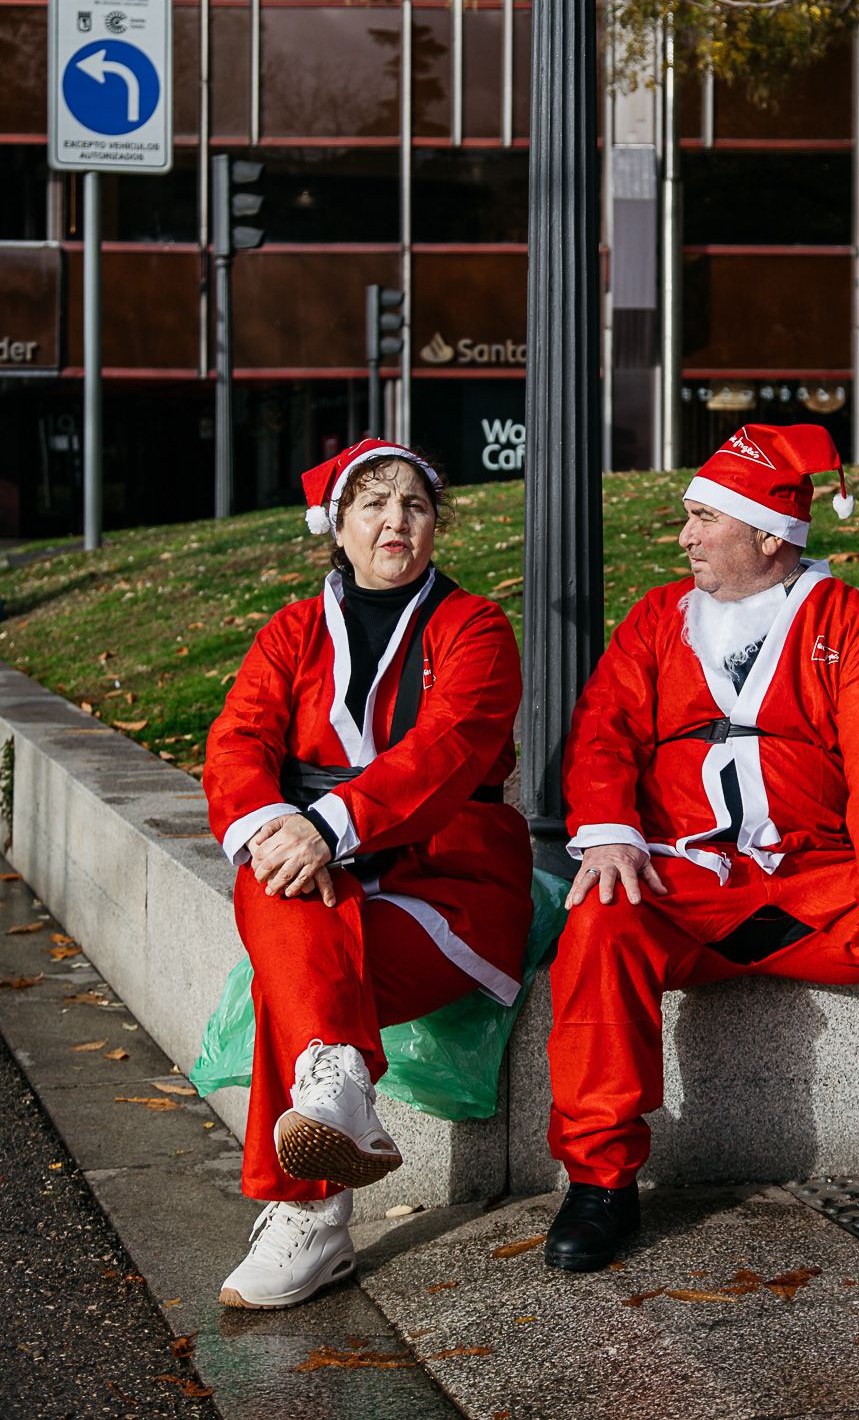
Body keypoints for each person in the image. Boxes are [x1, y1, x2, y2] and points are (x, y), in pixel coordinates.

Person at [544, 424, 859, 1273]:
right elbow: (602, 732)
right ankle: (599, 1181)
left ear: (768, 534)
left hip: (817, 886)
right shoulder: (655, 618)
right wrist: (606, 834)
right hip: (687, 883)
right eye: (688, 518)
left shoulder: (852, 622)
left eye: (705, 518)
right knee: (598, 918)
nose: (684, 537)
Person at [204, 437, 532, 1309]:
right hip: (317, 881)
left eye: (416, 506)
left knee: (295, 980)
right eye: (375, 505)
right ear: (338, 527)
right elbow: (238, 741)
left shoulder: (478, 629)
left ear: (435, 526)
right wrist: (278, 826)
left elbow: (451, 746)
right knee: (268, 883)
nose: (397, 521)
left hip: (448, 889)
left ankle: (311, 1221)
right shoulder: (292, 630)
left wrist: (328, 827)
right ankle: (338, 1083)